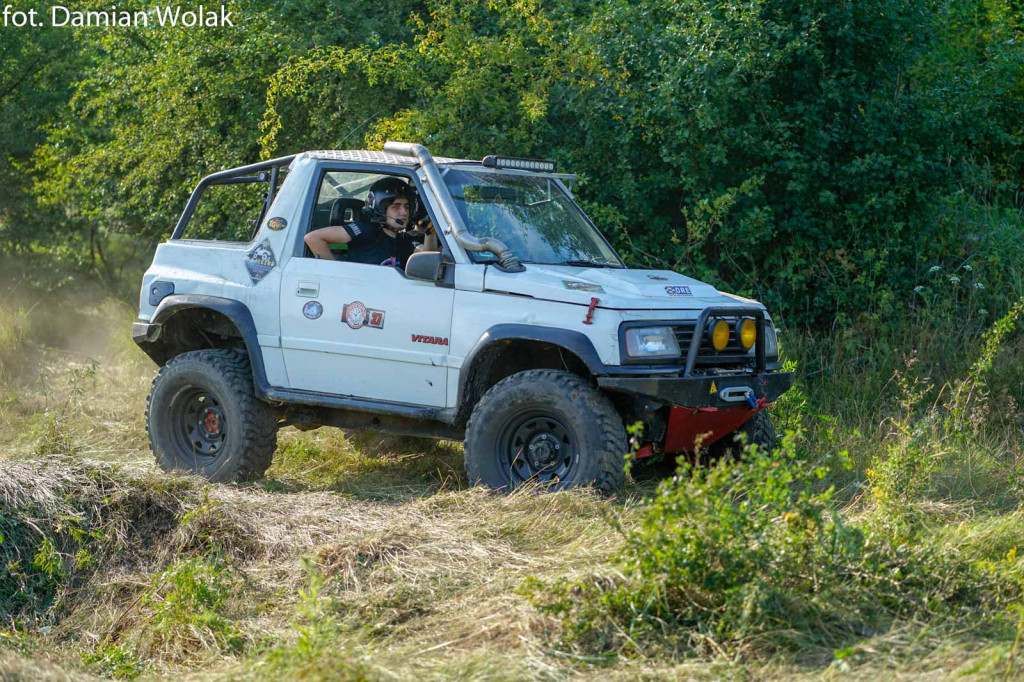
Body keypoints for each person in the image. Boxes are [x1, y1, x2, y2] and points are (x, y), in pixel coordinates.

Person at [304, 176, 424, 268]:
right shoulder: (366, 231)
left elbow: (429, 258)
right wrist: (334, 273)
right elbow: (313, 238)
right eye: (396, 207)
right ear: (380, 209)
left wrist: (430, 234)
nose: (403, 212)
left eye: (407, 207)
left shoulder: (404, 240)